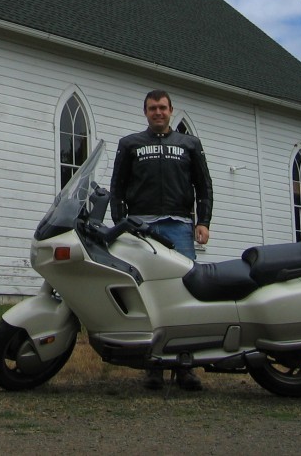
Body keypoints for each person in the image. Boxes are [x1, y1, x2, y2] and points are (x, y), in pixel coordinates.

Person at [110, 89, 213, 392]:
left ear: (171, 111)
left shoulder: (189, 144)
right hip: (142, 229)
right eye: (153, 108)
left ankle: (185, 366)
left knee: (185, 296)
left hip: (180, 227)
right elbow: (117, 188)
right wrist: (121, 225)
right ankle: (152, 366)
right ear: (145, 112)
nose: (158, 112)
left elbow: (203, 186)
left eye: (163, 108)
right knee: (147, 297)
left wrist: (203, 222)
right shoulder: (130, 145)